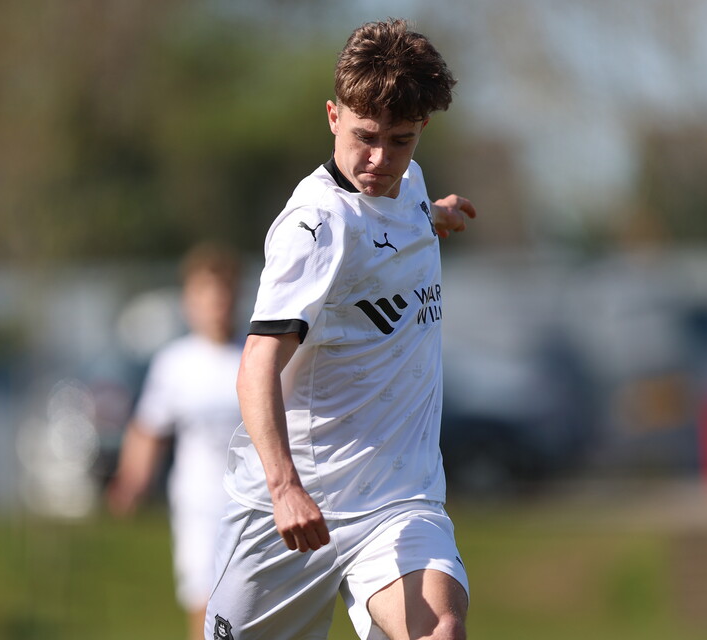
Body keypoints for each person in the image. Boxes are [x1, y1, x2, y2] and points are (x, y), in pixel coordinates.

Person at [206, 19, 477, 640]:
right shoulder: (316, 227)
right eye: (365, 137)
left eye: (400, 140)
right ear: (333, 117)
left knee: (440, 630)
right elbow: (256, 366)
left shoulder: (409, 185)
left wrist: (434, 216)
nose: (380, 159)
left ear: (421, 129)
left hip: (397, 501)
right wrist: (284, 488)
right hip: (292, 511)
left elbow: (394, 218)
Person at [107, 242, 244, 640]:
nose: (216, 305)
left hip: (253, 504)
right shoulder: (175, 363)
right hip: (198, 504)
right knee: (205, 607)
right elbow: (148, 429)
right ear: (190, 301)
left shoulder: (256, 355)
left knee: (250, 608)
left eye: (223, 294)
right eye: (206, 295)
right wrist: (132, 480)